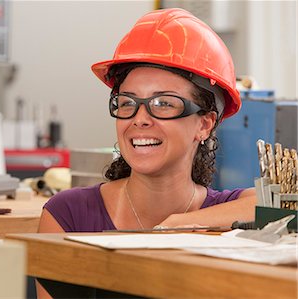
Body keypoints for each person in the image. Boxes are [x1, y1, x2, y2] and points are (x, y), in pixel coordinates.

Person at [36, 7, 257, 298]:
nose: (139, 118)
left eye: (163, 104)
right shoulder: (68, 215)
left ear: (205, 124)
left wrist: (180, 224)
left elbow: (285, 210)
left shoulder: (225, 214)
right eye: (127, 103)